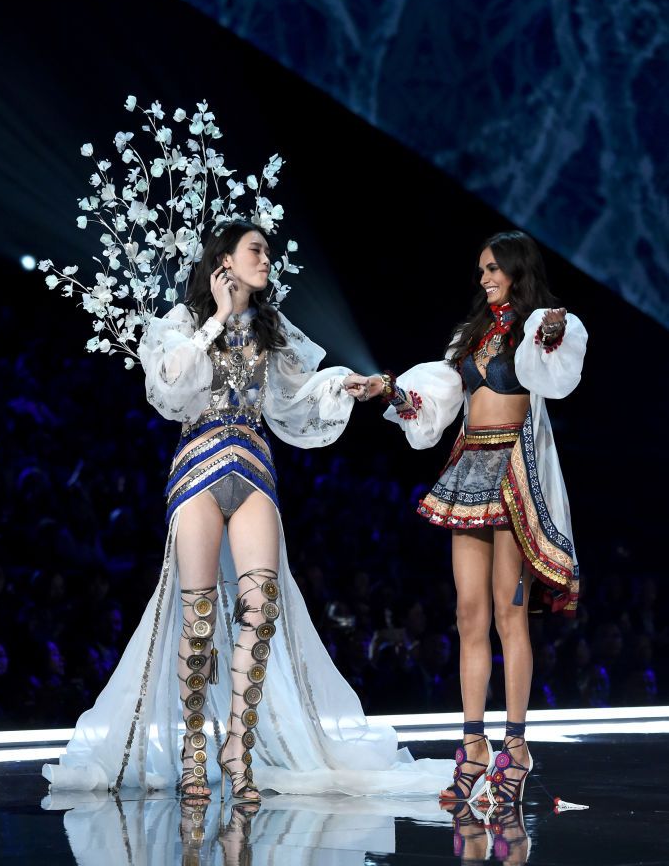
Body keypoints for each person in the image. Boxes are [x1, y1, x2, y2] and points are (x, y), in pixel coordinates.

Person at [43, 219, 453, 801]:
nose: (266, 259)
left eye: (267, 251)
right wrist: (215, 317)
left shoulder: (271, 326)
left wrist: (342, 386)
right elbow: (169, 386)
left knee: (261, 610)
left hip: (254, 463)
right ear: (225, 262)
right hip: (199, 464)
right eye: (256, 250)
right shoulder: (183, 323)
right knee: (199, 615)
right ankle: (194, 749)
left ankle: (238, 744)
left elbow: (296, 396)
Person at [344, 231, 587, 806]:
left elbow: (554, 374)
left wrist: (550, 333)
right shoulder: (471, 335)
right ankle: (474, 745)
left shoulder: (538, 329)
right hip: (470, 469)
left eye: (493, 268)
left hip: (514, 471)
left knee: (509, 613)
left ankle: (517, 747)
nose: (484, 277)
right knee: (468, 615)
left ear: (517, 270)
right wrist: (390, 391)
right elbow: (436, 404)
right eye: (481, 269)